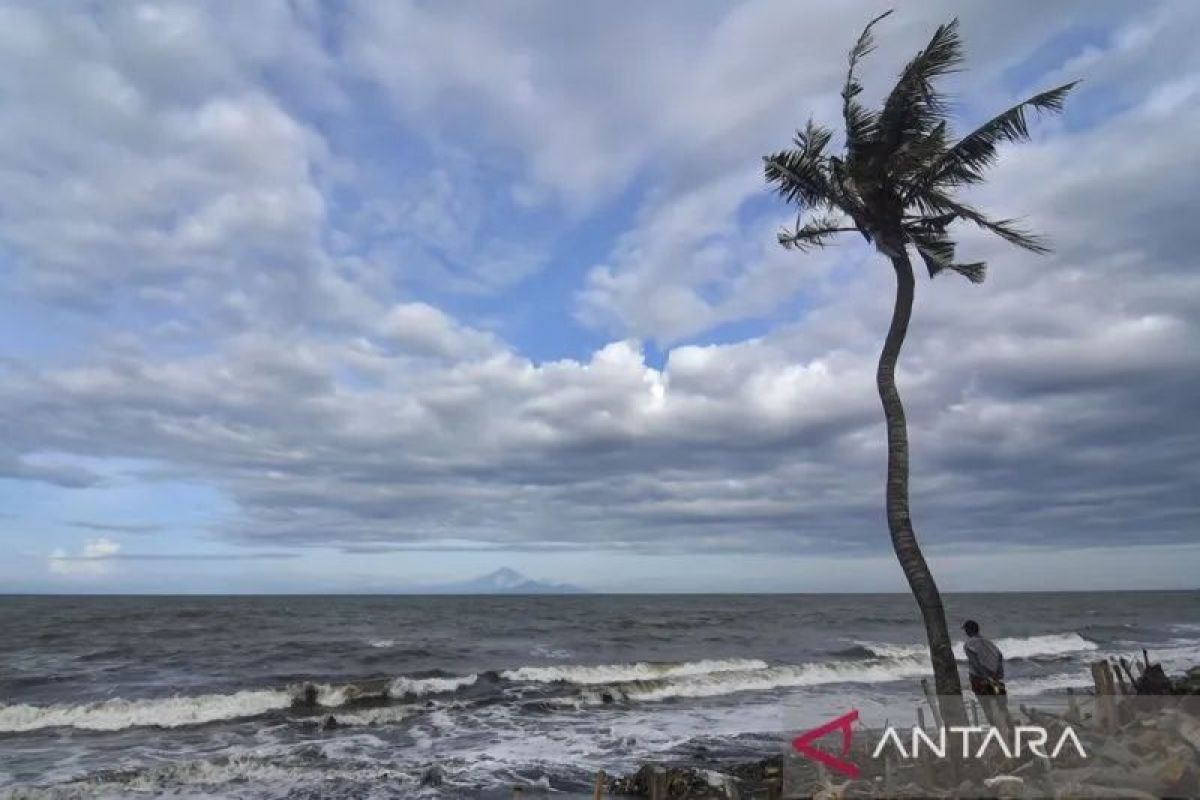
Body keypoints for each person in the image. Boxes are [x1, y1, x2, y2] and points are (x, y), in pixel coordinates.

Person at [962, 619, 1011, 732]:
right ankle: (1011, 729)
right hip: (996, 679)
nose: (965, 632)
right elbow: (999, 656)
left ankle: (996, 731)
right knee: (1002, 706)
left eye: (965, 630)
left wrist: (985, 677)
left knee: (986, 707)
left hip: (980, 680)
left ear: (968, 631)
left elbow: (975, 663)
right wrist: (996, 675)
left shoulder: (968, 645)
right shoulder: (988, 642)